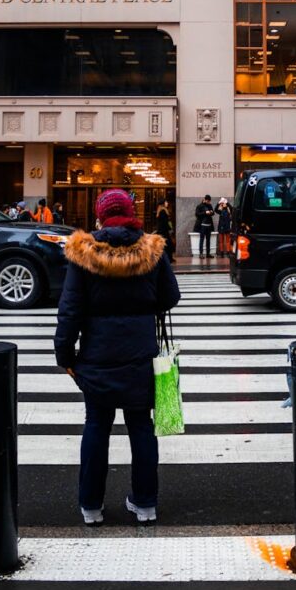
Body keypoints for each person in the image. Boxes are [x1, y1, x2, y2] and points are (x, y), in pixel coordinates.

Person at [54, 189, 180, 526]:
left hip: (97, 355)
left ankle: (91, 506)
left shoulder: (84, 252)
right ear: (131, 213)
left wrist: (64, 354)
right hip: (140, 354)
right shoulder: (152, 250)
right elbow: (171, 297)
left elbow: (70, 310)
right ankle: (145, 503)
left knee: (96, 425)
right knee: (141, 426)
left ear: (100, 216)